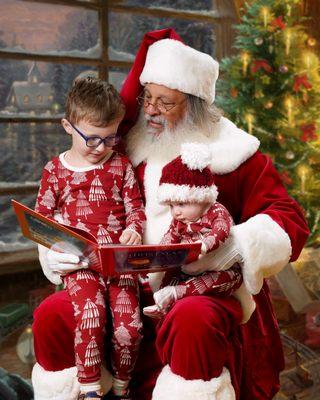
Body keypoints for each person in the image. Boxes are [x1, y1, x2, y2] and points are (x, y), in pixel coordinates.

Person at [32, 29, 309, 400]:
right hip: (120, 282)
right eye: (147, 97)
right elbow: (71, 200)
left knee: (192, 320)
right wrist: (57, 250)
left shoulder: (235, 152)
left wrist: (236, 247)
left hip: (198, 286)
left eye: (166, 102)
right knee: (52, 314)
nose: (149, 110)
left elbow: (289, 217)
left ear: (194, 104)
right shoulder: (125, 145)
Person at [34, 77, 146, 400]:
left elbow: (136, 209)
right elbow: (40, 221)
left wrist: (134, 229)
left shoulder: (120, 166)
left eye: (110, 139)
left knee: (130, 328)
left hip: (119, 263)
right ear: (68, 126)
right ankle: (90, 389)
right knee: (90, 317)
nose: (102, 148)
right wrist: (52, 249)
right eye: (93, 140)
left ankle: (123, 386)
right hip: (80, 264)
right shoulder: (55, 170)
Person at [143, 143, 255, 324]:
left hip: (221, 267)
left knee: (223, 279)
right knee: (171, 275)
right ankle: (163, 302)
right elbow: (169, 237)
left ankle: (175, 294)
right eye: (171, 206)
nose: (175, 212)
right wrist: (160, 253)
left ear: (201, 199)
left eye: (180, 204)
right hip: (189, 269)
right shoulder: (179, 221)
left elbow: (221, 230)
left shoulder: (216, 211)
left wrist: (205, 244)